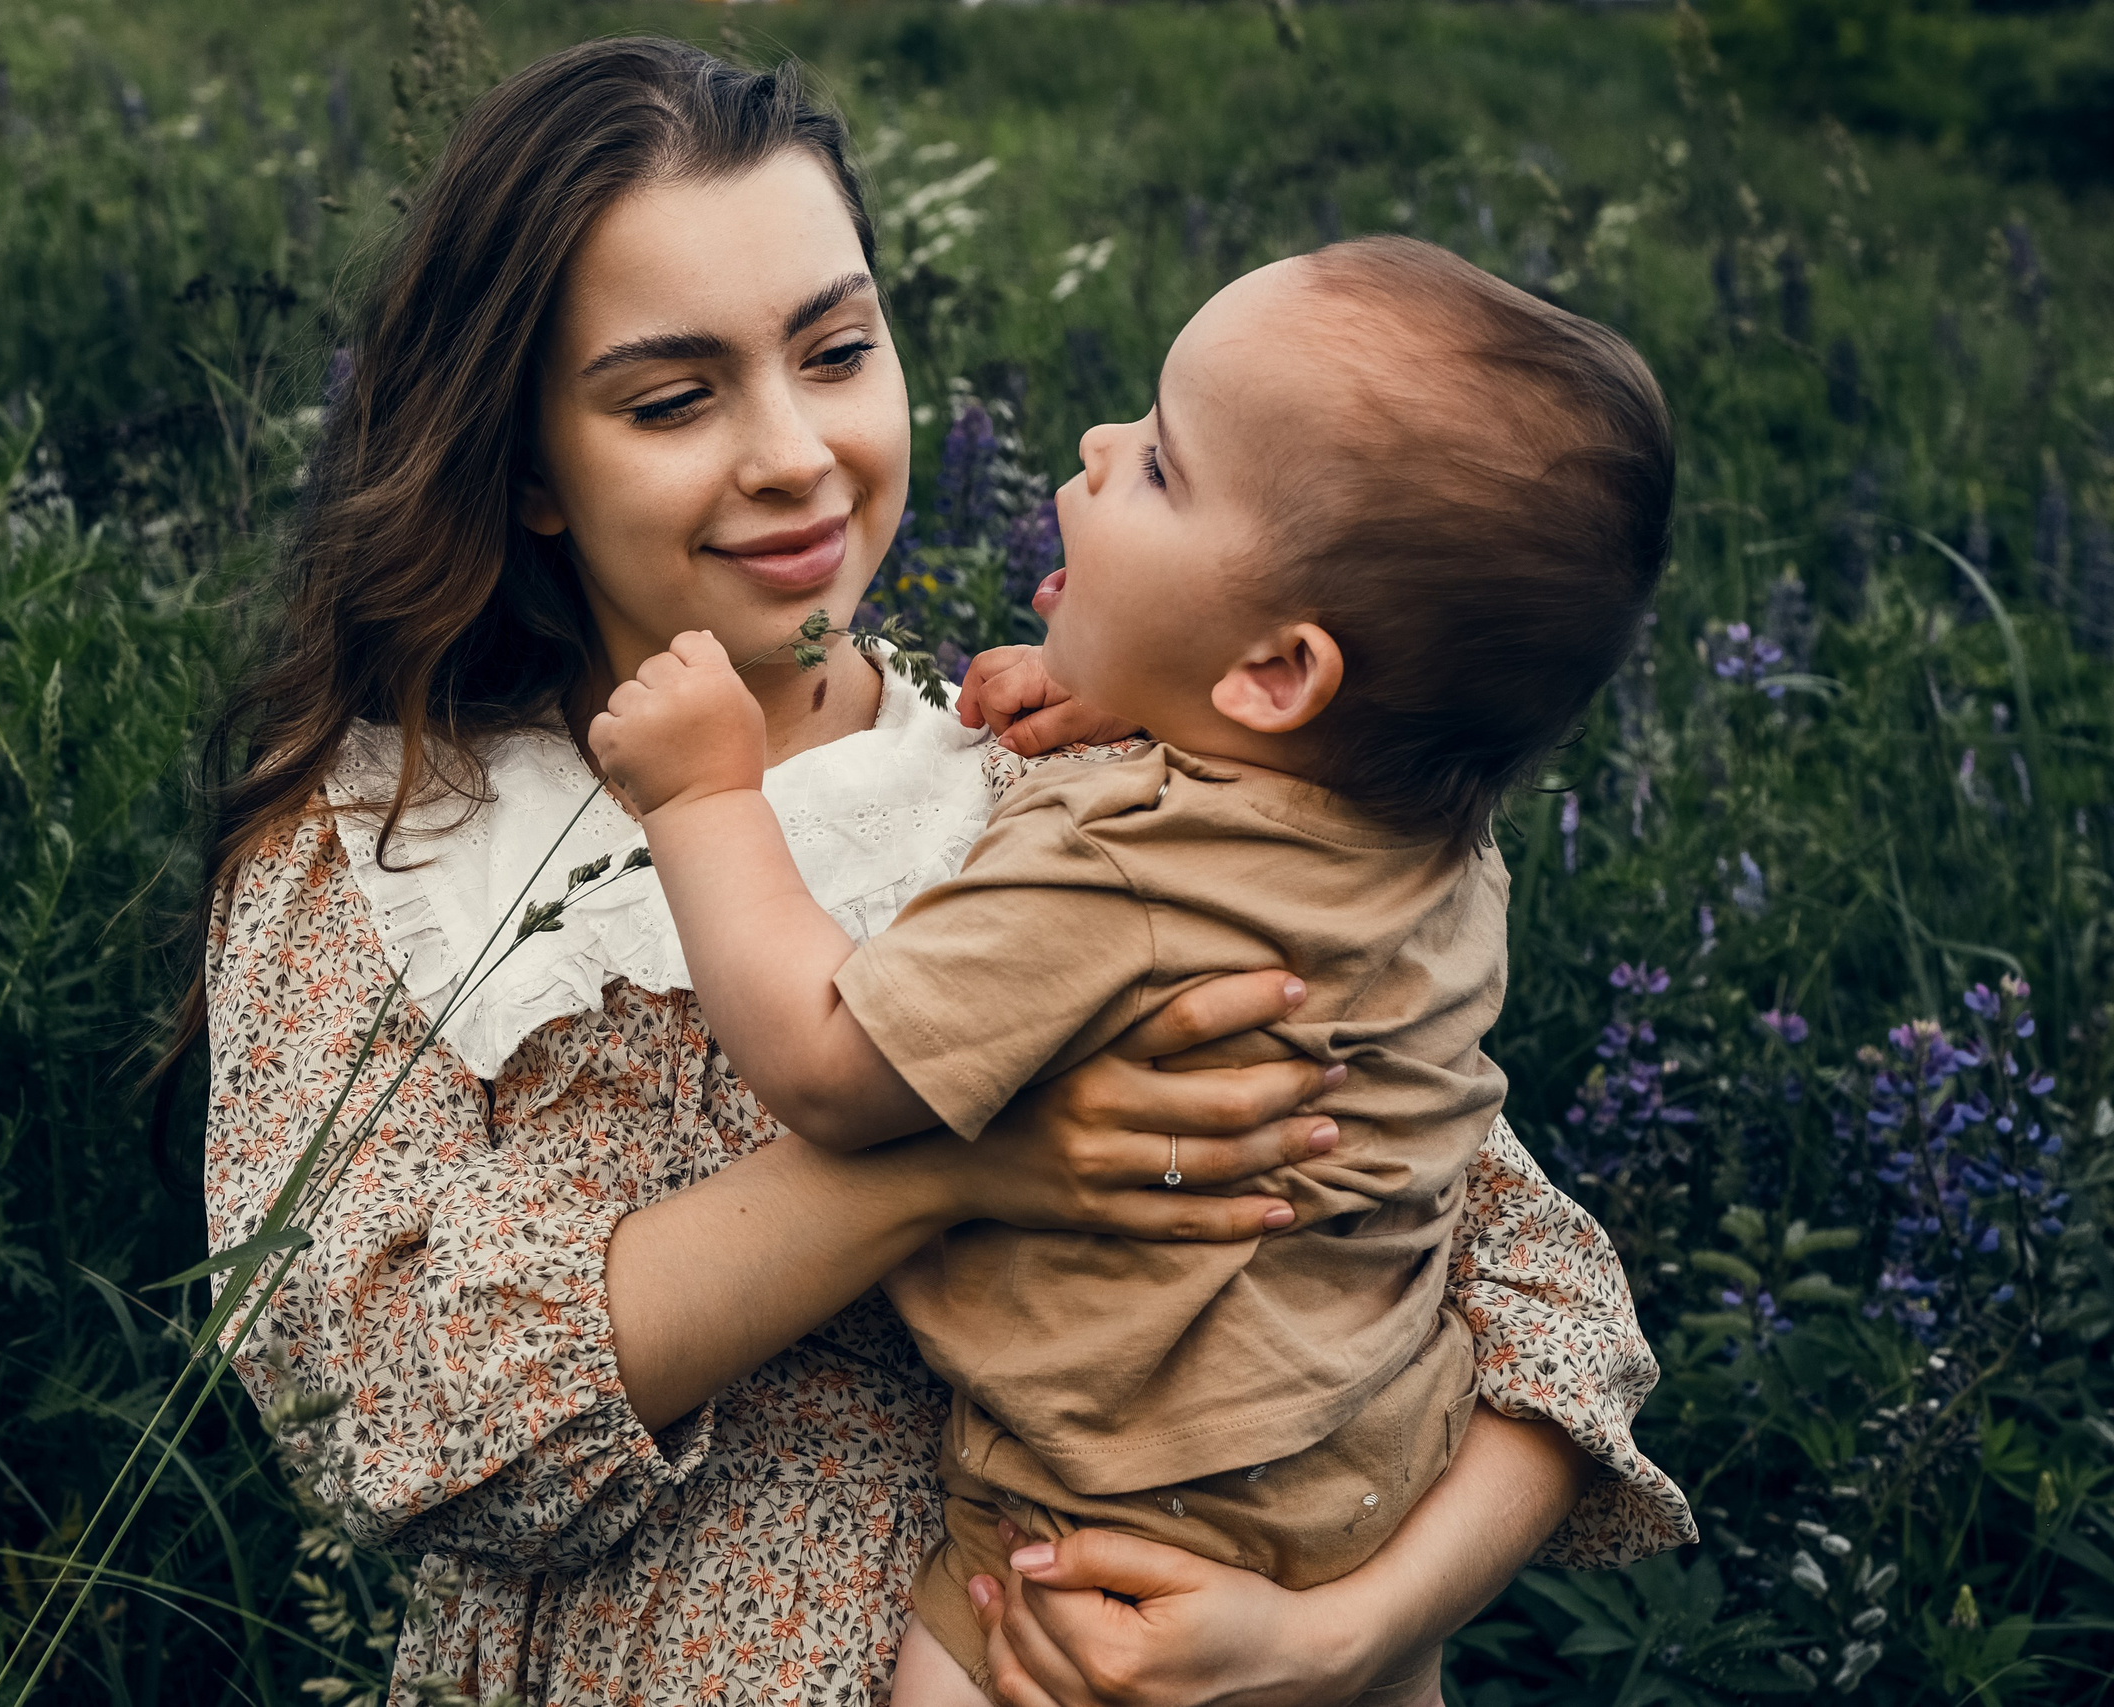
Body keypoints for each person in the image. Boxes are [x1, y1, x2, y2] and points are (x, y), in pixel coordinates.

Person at [188, 36, 1694, 1707]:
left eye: (837, 351)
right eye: (673, 399)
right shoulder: (391, 847)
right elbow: (373, 1414)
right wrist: (944, 1172)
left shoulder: (1108, 798)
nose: (792, 453)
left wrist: (1337, 1636)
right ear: (530, 466)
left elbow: (1537, 1308)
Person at [584, 237, 1674, 1706]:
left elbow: (831, 1064)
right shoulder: (1432, 844)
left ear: (1276, 676)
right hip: (1372, 1490)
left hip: (1104, 1549)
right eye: (670, 397)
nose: (1100, 445)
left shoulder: (1114, 867)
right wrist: (1140, 694)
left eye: (1160, 466)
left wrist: (706, 799)